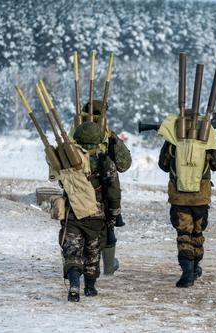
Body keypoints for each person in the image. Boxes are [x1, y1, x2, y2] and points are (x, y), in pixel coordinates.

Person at [59, 121, 126, 301]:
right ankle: (90, 286)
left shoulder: (68, 158)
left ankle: (74, 283)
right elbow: (113, 193)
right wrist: (113, 216)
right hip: (96, 215)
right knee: (92, 251)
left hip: (72, 213)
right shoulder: (106, 161)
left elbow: (61, 182)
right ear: (98, 140)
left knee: (72, 250)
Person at [157, 111, 216, 288]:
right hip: (200, 197)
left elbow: (163, 165)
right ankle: (195, 267)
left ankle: (187, 271)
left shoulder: (173, 139)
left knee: (184, 233)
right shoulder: (206, 137)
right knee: (197, 232)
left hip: (179, 197)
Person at [72, 99, 132, 276]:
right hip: (104, 190)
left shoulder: (73, 133)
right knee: (107, 229)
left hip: (76, 193)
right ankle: (107, 266)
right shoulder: (107, 135)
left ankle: (79, 265)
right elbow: (124, 164)